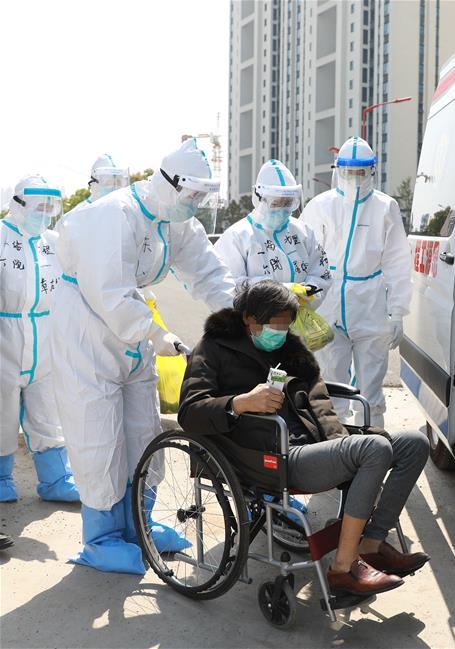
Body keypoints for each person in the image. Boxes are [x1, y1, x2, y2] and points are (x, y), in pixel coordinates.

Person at [50, 139, 236, 574]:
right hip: (87, 325)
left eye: (201, 196)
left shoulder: (176, 222)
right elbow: (107, 291)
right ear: (167, 183)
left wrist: (243, 315)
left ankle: (140, 523)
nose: (196, 203)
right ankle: (101, 539)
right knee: (97, 431)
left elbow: (207, 274)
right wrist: (156, 333)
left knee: (143, 426)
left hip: (131, 327)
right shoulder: (114, 215)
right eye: (191, 194)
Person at [178, 281, 430, 596]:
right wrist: (241, 403)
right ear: (249, 319)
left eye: (286, 324)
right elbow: (190, 412)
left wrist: (337, 443)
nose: (281, 331)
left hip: (311, 442)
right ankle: (342, 568)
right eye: (276, 324)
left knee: (413, 444)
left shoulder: (289, 349)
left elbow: (320, 401)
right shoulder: (213, 349)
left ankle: (371, 544)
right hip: (265, 454)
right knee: (374, 448)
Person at [302, 137, 411, 428]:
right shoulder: (321, 205)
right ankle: (336, 453)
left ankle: (373, 446)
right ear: (338, 170)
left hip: (370, 302)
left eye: (360, 172)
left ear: (372, 172)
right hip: (329, 299)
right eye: (348, 171)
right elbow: (305, 256)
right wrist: (304, 305)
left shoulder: (385, 207)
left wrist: (397, 312)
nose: (354, 178)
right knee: (331, 386)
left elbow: (398, 261)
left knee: (371, 390)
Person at [0, 176, 80, 503]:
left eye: (50, 207)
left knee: (48, 411)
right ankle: (2, 477)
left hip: (45, 339)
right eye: (39, 207)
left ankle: (56, 478)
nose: (45, 213)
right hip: (6, 337)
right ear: (18, 204)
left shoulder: (54, 241)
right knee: (1, 412)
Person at [213, 159, 331, 304]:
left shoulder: (303, 232)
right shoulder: (237, 236)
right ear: (259, 199)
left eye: (287, 203)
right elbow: (230, 284)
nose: (282, 209)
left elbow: (321, 273)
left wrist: (308, 292)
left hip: (299, 319)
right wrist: (282, 292)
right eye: (275, 203)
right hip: (255, 322)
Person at [56, 155, 130, 226]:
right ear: (94, 184)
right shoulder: (73, 219)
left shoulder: (130, 216)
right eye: (109, 182)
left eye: (119, 183)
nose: (115, 188)